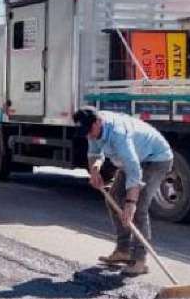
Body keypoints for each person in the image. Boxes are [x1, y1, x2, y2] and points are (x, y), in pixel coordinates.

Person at [74, 106, 174, 277]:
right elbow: (94, 153)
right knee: (112, 197)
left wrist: (130, 203)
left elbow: (134, 171)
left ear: (98, 122)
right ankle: (123, 250)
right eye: (85, 132)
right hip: (133, 160)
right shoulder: (92, 128)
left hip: (155, 160)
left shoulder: (119, 134)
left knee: (138, 207)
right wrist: (94, 171)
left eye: (90, 131)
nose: (89, 136)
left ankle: (140, 260)